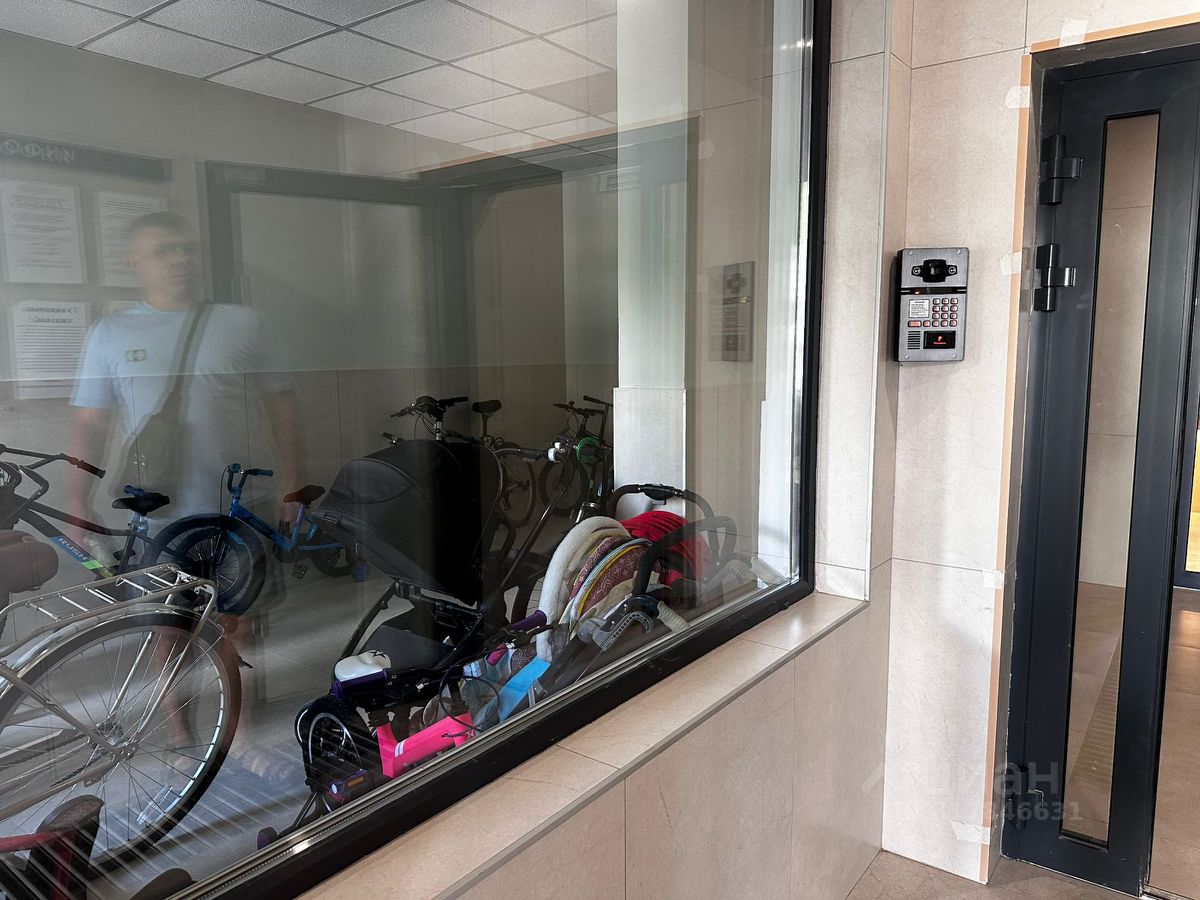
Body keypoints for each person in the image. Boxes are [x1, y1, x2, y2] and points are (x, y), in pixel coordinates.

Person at [70, 211, 302, 777]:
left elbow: (282, 405)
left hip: (234, 504)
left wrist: (294, 481)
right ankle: (180, 740)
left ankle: (240, 737)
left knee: (237, 625)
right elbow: (91, 423)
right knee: (167, 630)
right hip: (156, 510)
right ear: (134, 261)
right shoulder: (110, 333)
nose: (179, 260)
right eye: (163, 251)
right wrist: (78, 500)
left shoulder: (243, 323)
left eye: (185, 249)